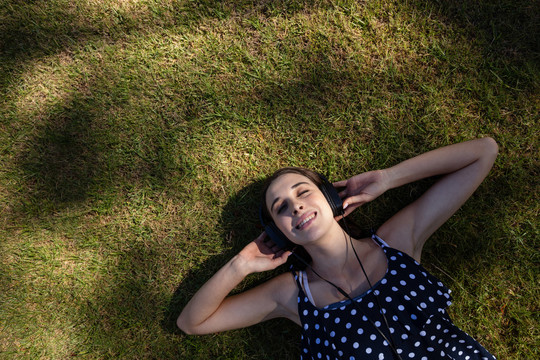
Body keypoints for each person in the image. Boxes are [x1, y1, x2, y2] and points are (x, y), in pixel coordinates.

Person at [177, 137, 499, 360]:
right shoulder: (293, 294)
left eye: (303, 192)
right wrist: (241, 265)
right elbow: (193, 322)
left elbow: (484, 152)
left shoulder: (396, 242)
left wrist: (388, 178)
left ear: (330, 198)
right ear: (279, 232)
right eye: (282, 208)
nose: (296, 208)